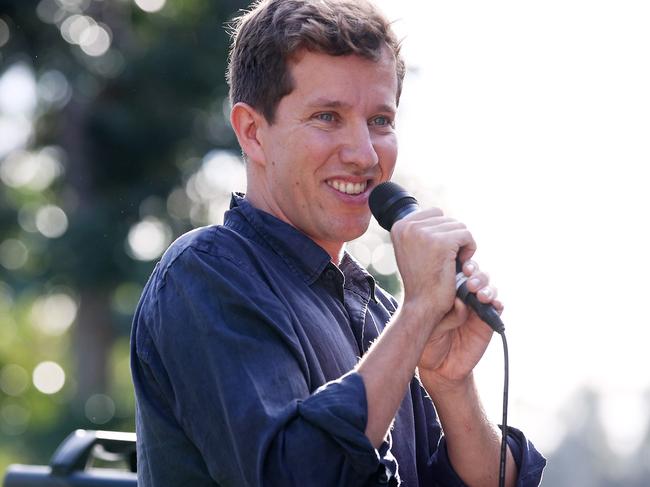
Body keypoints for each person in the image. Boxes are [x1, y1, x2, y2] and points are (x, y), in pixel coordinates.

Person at [130, 0, 546, 485]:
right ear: (252, 132)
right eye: (328, 117)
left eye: (380, 121)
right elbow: (295, 475)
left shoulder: (381, 313)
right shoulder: (204, 274)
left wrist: (451, 384)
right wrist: (415, 319)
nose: (364, 155)